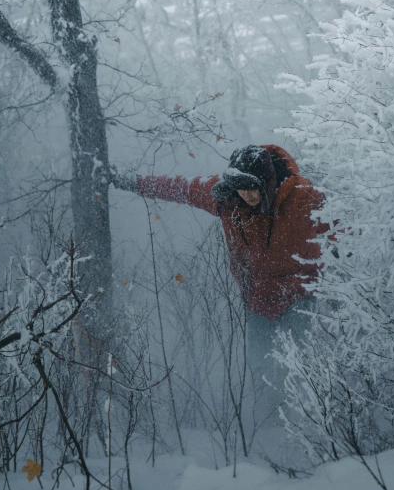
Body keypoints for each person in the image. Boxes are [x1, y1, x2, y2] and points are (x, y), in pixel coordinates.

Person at [111, 144, 338, 423]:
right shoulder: (226, 200)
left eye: (252, 188)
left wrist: (345, 272)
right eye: (241, 189)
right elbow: (181, 189)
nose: (246, 196)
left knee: (303, 370)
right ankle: (266, 426)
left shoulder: (304, 198)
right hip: (257, 304)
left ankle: (312, 425)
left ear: (266, 182)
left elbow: (339, 230)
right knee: (262, 371)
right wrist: (132, 183)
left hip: (300, 299)